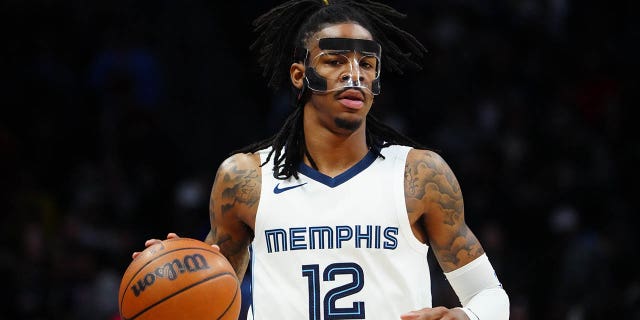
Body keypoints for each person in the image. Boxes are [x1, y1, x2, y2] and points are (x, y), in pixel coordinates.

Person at [134, 0, 509, 319]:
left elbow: (490, 294)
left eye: (367, 64)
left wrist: (469, 316)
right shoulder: (246, 179)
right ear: (300, 74)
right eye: (334, 61)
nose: (354, 75)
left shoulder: (418, 175)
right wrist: (173, 270)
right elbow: (210, 301)